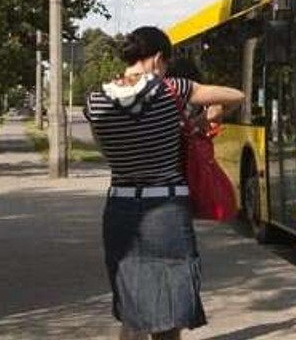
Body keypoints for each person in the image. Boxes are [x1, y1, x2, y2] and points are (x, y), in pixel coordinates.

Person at [85, 26, 244, 340]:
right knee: (169, 310)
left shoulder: (95, 101)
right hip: (166, 210)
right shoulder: (173, 89)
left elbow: (105, 152)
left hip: (120, 207)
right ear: (158, 58)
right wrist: (199, 122)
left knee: (132, 309)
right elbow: (236, 96)